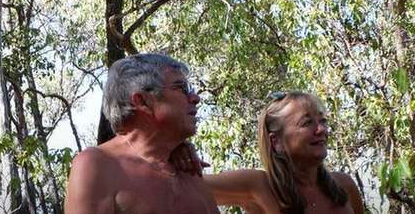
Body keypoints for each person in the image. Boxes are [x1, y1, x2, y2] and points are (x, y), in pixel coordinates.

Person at [65, 53, 219, 214]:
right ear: (142, 101)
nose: (195, 98)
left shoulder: (190, 172)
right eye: (181, 88)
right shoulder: (98, 165)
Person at [178, 91, 364, 213]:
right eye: (307, 123)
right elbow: (182, 186)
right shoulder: (258, 186)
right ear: (276, 141)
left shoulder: (344, 185)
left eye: (323, 121)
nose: (321, 129)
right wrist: (178, 148)